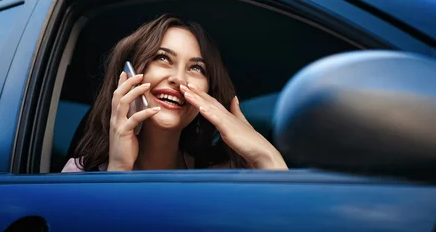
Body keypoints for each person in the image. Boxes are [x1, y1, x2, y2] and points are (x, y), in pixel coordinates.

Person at [62, 13, 288, 172]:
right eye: (162, 58)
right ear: (128, 76)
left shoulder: (225, 176)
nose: (179, 78)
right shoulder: (78, 174)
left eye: (196, 68)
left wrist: (265, 154)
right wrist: (119, 169)